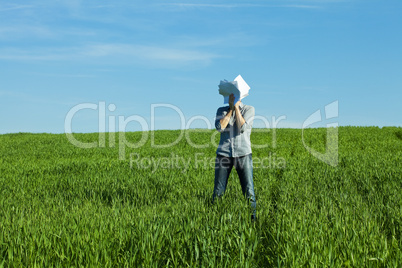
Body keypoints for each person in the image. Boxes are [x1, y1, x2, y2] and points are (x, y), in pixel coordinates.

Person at [213, 93, 257, 221]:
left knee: (249, 191)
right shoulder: (221, 110)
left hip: (243, 153)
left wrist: (237, 108)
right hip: (223, 154)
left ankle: (252, 221)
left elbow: (243, 127)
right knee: (218, 191)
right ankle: (216, 220)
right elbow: (219, 128)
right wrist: (230, 109)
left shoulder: (249, 109)